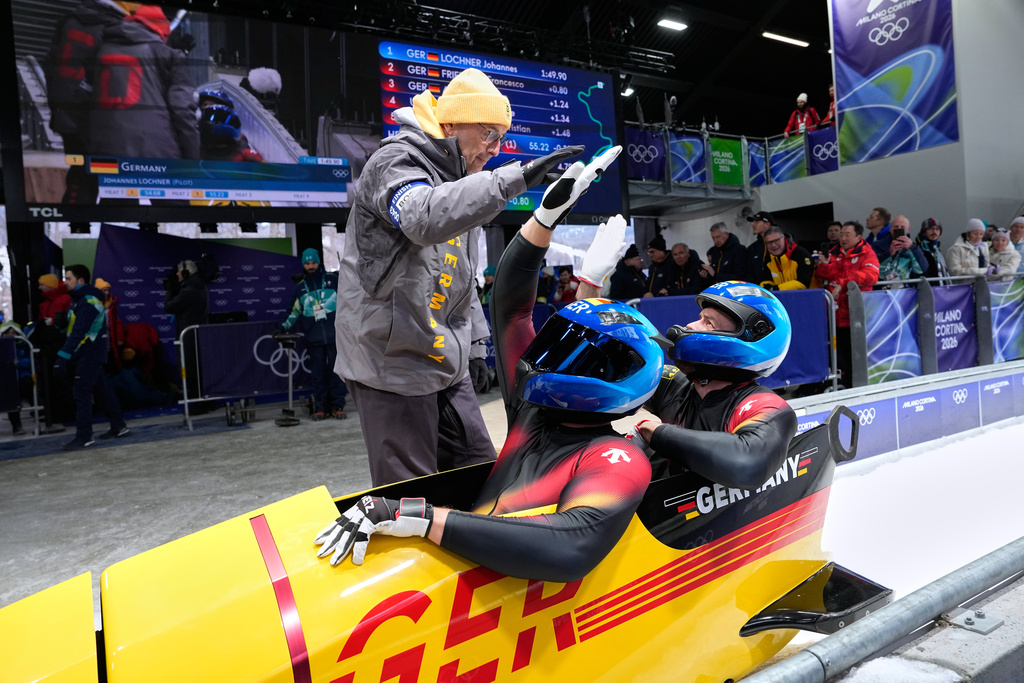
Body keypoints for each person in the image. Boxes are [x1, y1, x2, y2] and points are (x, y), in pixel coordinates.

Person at [315, 154, 671, 584]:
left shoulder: (617, 458)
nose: (546, 357)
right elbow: (512, 306)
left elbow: (571, 547)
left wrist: (420, 516)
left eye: (577, 355)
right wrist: (545, 217)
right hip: (470, 559)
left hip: (506, 586)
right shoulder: (534, 411)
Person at [334, 67, 584, 487]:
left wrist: (475, 345)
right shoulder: (394, 162)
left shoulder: (462, 184)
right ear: (451, 123)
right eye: (489, 132)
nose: (495, 147)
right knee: (413, 493)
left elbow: (460, 278)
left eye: (501, 137)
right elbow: (422, 217)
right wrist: (515, 178)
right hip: (392, 364)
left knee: (481, 476)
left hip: (446, 365)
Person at [629, 282, 797, 487]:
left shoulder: (765, 404)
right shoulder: (673, 382)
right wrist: (591, 283)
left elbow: (748, 463)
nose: (690, 325)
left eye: (708, 323)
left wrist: (654, 433)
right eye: (700, 318)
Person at [45, 0, 138, 204]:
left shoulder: (69, 21)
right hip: (97, 120)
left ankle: (75, 226)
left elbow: (50, 66)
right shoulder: (115, 28)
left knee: (79, 177)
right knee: (117, 183)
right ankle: (114, 231)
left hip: (67, 115)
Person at [88, 5, 198, 163]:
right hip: (155, 152)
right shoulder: (167, 55)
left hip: (103, 149)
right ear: (161, 31)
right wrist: (192, 158)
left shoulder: (102, 51)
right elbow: (183, 111)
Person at [55, 265, 129, 450]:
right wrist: (61, 324)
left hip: (90, 353)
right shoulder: (78, 300)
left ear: (80, 281)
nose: (65, 282)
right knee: (102, 390)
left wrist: (62, 357)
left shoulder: (88, 302)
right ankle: (119, 425)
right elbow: (73, 329)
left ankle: (84, 436)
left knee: (81, 392)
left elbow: (79, 332)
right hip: (88, 352)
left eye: (69, 278)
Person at [280, 248, 348, 420]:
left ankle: (338, 406)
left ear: (319, 263)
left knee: (336, 373)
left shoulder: (333, 281)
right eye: (307, 263)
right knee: (318, 375)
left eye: (313, 263)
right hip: (314, 339)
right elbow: (294, 312)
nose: (311, 266)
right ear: (304, 265)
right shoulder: (300, 288)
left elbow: (348, 302)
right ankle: (320, 408)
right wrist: (282, 326)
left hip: (334, 337)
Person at [814, 221, 880, 386]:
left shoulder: (867, 253)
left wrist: (844, 283)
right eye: (841, 234)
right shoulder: (834, 252)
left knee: (857, 354)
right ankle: (843, 384)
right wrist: (824, 264)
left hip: (857, 314)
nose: (842, 238)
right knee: (839, 354)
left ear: (858, 237)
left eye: (847, 234)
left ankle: (858, 385)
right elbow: (825, 275)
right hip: (835, 314)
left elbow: (871, 275)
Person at [164, 259, 209, 405]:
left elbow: (169, 307)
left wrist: (170, 291)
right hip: (196, 334)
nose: (177, 274)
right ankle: (203, 400)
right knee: (196, 369)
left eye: (178, 271)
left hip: (188, 336)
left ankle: (198, 403)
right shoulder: (199, 286)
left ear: (185, 272)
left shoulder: (189, 290)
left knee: (190, 370)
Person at [878, 215, 926, 286]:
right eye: (896, 227)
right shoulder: (878, 245)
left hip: (905, 290)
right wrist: (889, 254)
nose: (899, 229)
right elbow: (876, 270)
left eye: (902, 227)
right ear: (890, 228)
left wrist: (912, 248)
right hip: (883, 289)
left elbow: (921, 270)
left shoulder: (913, 247)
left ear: (908, 229)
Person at [761, 225, 814, 290]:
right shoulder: (769, 258)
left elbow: (803, 283)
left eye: (776, 240)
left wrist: (777, 289)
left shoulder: (801, 254)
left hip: (806, 297)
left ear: (784, 238)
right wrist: (766, 288)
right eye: (769, 242)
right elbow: (766, 279)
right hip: (781, 298)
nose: (773, 245)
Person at [93, 277, 125, 373]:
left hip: (109, 342)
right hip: (96, 343)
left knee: (111, 363)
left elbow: (117, 322)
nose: (107, 293)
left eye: (108, 290)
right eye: (104, 290)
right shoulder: (92, 305)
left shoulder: (111, 306)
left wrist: (120, 337)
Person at [745, 211, 776, 286]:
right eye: (753, 222)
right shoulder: (752, 248)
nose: (753, 225)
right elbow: (749, 274)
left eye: (757, 222)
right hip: (758, 292)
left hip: (779, 291)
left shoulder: (780, 244)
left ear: (767, 224)